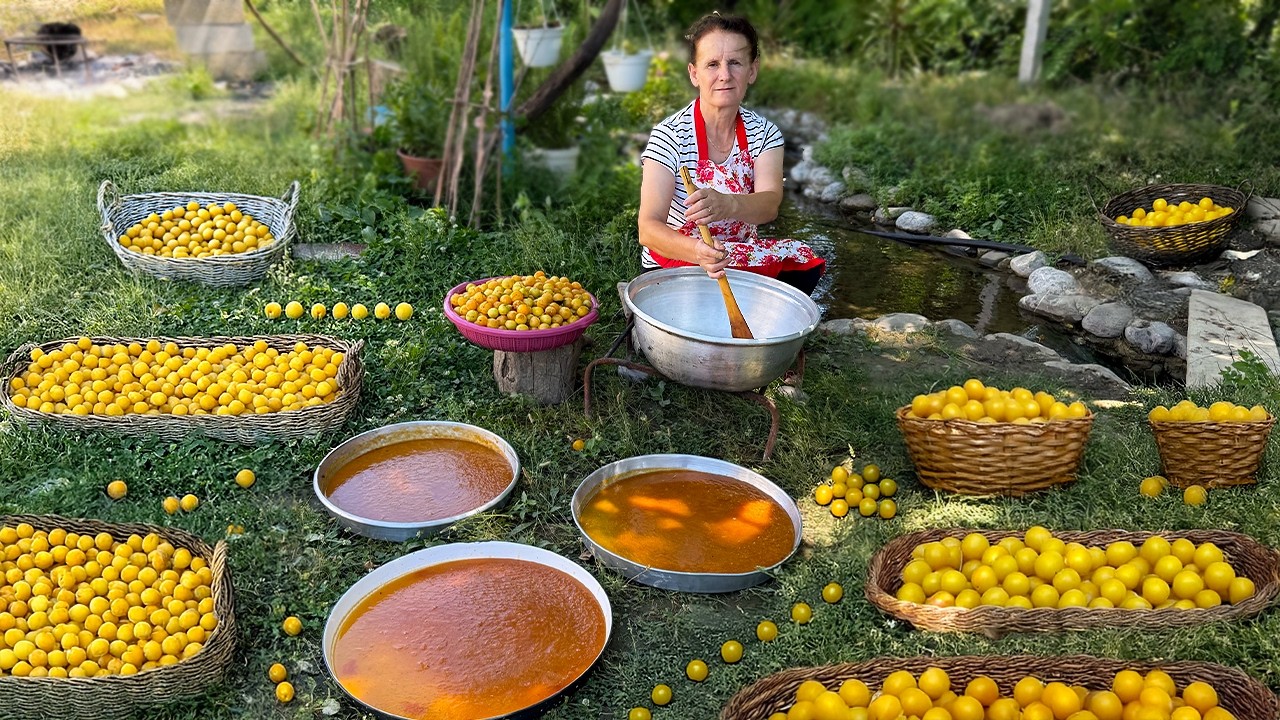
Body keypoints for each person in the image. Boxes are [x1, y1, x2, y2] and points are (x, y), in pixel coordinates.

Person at [637, 13, 826, 296]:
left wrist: (727, 204)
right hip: (680, 259)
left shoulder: (765, 134)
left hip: (737, 257)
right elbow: (648, 229)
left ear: (752, 70)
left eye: (735, 62)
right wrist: (699, 251)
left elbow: (769, 206)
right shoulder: (669, 135)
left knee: (801, 259)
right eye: (712, 64)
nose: (724, 75)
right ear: (694, 74)